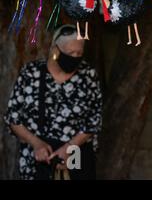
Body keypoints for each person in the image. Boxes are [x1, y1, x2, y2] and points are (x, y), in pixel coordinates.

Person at [4, 24, 102, 180]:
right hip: (36, 155)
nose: (75, 58)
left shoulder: (88, 75)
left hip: (74, 152)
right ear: (55, 50)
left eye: (79, 53)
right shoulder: (31, 73)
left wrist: (69, 148)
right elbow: (13, 119)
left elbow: (93, 120)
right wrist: (37, 144)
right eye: (71, 53)